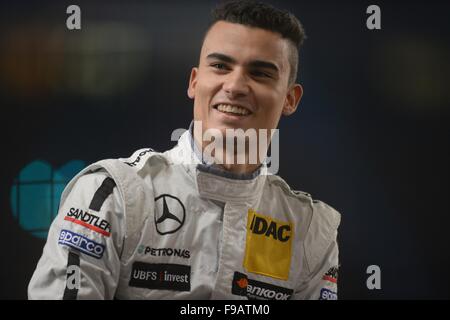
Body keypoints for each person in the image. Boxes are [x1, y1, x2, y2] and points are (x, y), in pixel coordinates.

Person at [28, 0, 340, 300]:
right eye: (220, 66)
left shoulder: (311, 231)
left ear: (290, 99)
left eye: (260, 73)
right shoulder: (111, 196)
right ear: (194, 81)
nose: (234, 86)